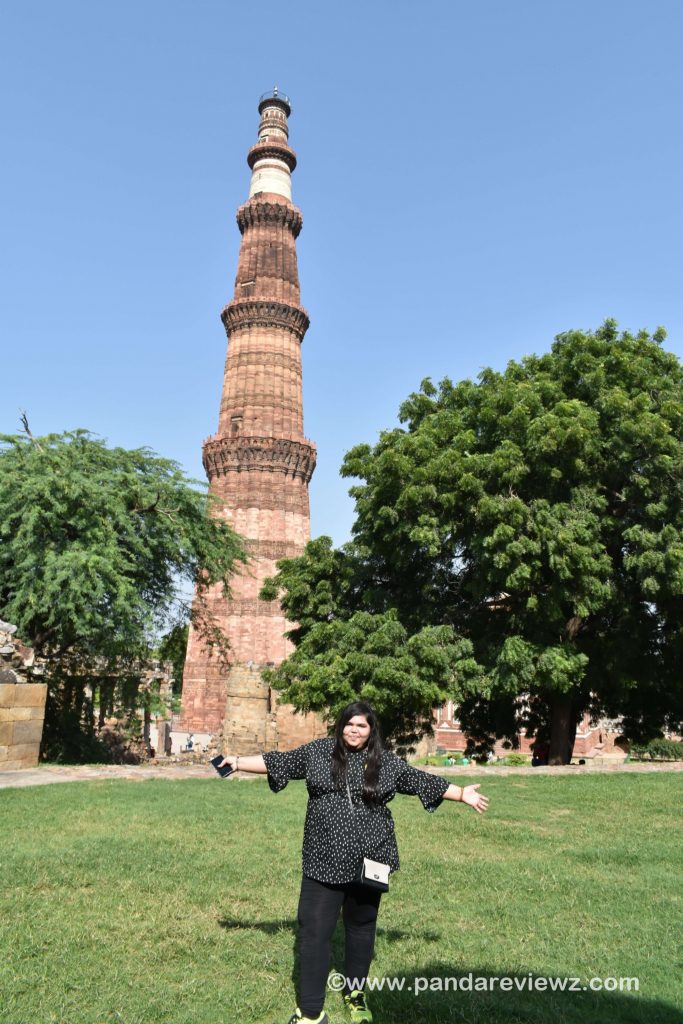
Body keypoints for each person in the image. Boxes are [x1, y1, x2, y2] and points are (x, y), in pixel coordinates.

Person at [217, 701, 489, 1024]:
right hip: (323, 860)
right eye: (349, 724)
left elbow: (420, 781)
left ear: (371, 730)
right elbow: (279, 762)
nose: (354, 730)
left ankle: (355, 994)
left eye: (361, 726)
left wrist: (462, 794)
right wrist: (235, 762)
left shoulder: (384, 763)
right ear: (340, 725)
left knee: (361, 929)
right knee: (313, 931)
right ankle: (310, 1013)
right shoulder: (318, 753)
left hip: (369, 861)